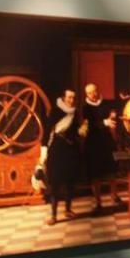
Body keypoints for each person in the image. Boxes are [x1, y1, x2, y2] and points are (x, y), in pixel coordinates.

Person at [39, 88, 86, 225]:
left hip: (71, 150)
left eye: (73, 98)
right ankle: (53, 215)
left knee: (70, 181)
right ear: (64, 98)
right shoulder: (55, 111)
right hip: (56, 150)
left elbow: (75, 132)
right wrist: (44, 151)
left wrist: (81, 131)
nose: (71, 100)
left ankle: (68, 210)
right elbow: (47, 132)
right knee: (55, 183)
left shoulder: (75, 113)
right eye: (69, 97)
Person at [81, 83, 118, 210]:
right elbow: (89, 125)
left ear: (98, 90)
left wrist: (113, 115)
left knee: (111, 171)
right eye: (89, 93)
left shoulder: (105, 103)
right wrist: (105, 122)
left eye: (94, 91)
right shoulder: (85, 108)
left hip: (106, 141)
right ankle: (98, 201)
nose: (93, 94)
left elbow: (113, 112)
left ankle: (114, 196)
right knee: (95, 174)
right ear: (86, 94)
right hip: (93, 143)